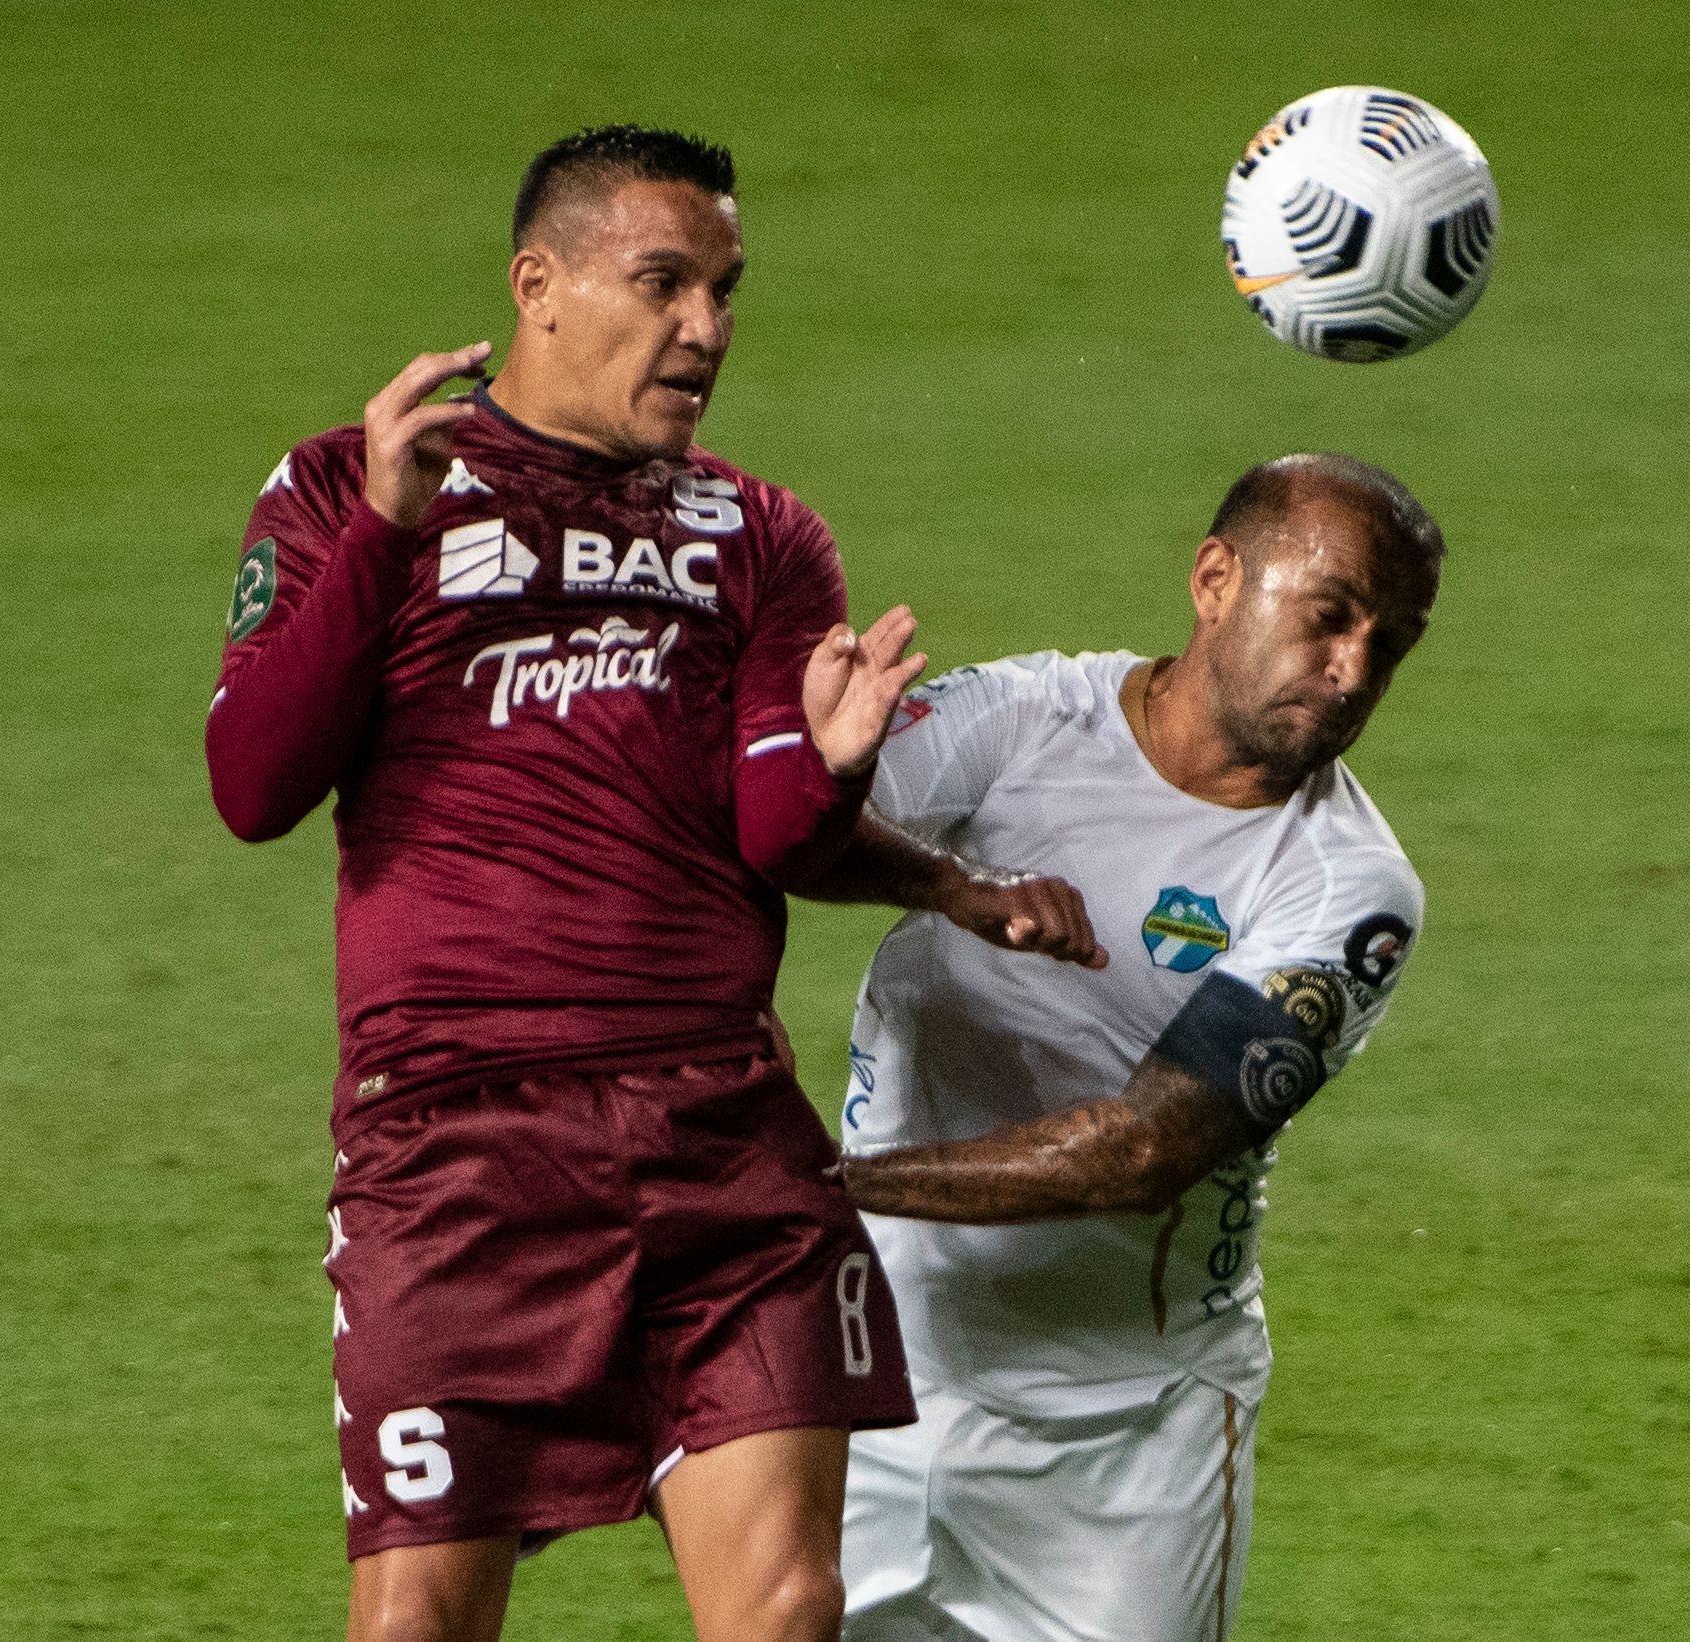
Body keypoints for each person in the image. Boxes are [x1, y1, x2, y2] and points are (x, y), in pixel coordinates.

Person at [204, 126, 1091, 1642]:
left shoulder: (757, 533)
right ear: (536, 287)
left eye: (725, 289)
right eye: (663, 282)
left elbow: (771, 832)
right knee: (418, 1614)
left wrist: (833, 766)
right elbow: (254, 786)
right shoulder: (354, 484)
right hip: (457, 1143)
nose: (706, 329)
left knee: (788, 1605)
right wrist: (377, 538)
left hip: (715, 1137)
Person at [828, 453, 1443, 1642]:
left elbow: (1141, 1152)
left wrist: (819, 1190)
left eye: (1391, 641)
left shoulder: (1349, 885)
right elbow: (769, 838)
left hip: (1122, 1438)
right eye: (1329, 616)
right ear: (1216, 579)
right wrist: (942, 880)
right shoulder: (1019, 718)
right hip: (865, 1374)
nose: (1354, 669)